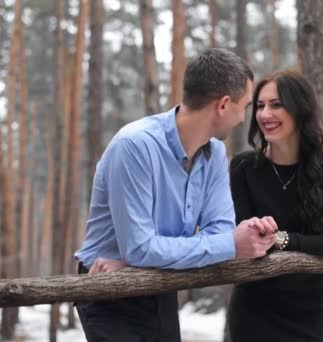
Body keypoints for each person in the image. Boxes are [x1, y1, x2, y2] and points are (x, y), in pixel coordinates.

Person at [73, 48, 278, 342]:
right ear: (222, 105)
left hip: (162, 279)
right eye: (244, 106)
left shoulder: (216, 153)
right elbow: (143, 248)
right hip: (106, 288)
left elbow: (218, 231)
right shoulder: (135, 146)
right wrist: (228, 244)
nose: (243, 118)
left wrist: (138, 259)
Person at [227, 70, 323, 342]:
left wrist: (284, 239)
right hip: (253, 312)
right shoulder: (243, 167)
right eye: (260, 106)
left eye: (276, 104)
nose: (264, 114)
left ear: (300, 109)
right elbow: (248, 245)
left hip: (310, 314)